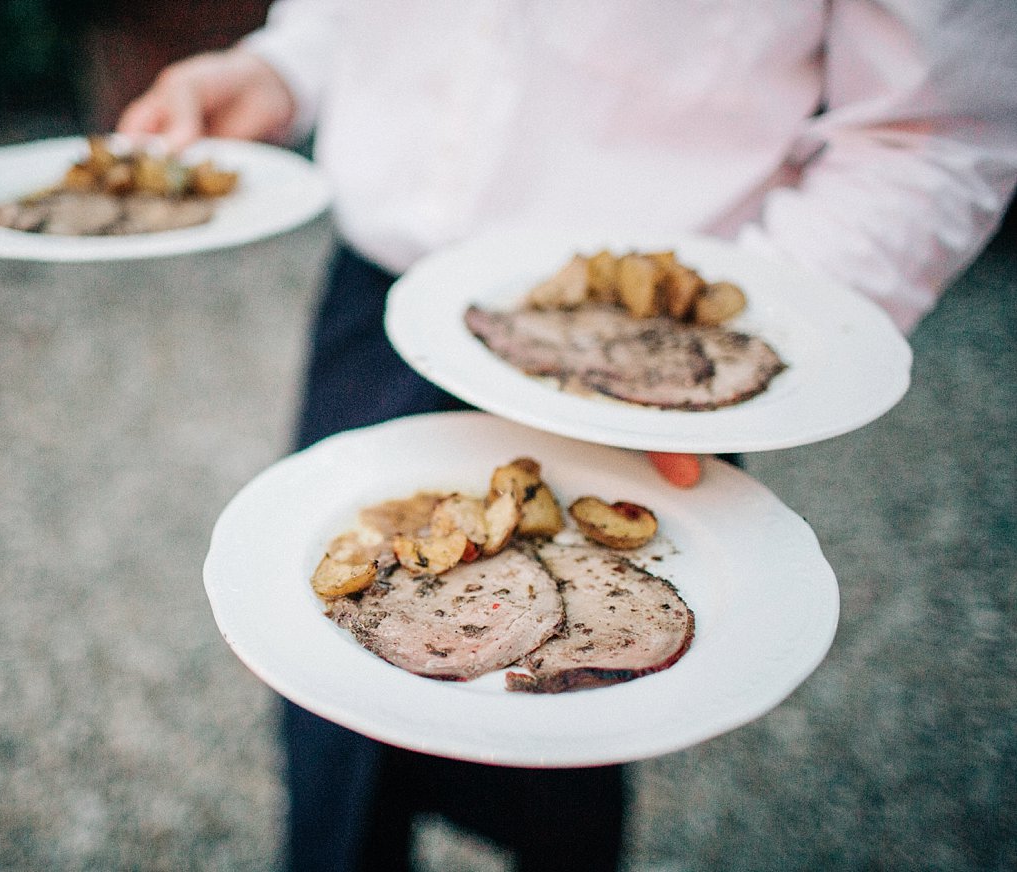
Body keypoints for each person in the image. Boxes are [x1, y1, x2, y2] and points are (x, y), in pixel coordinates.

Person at [118, 3, 1017, 870]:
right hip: (378, 308)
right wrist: (279, 65)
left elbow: (931, 130)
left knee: (568, 733)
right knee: (330, 732)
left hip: (642, 362)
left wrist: (712, 374)